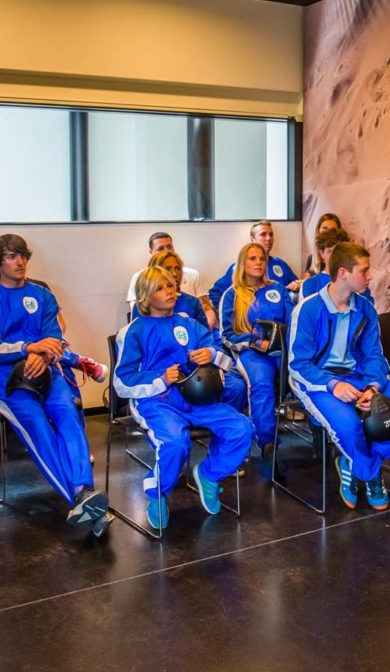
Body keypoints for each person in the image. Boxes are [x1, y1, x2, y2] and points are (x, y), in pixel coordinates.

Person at [0, 235, 113, 537]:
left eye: (23, 255)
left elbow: (55, 338)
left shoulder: (42, 294)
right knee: (36, 422)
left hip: (46, 367)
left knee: (68, 414)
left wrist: (42, 355)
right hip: (3, 376)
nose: (20, 261)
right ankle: (78, 496)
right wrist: (29, 348)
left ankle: (84, 491)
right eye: (11, 256)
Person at [288, 242, 390, 511]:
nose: (369, 276)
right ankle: (370, 472)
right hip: (318, 382)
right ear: (343, 273)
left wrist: (373, 387)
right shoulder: (307, 309)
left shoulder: (366, 308)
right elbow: (298, 366)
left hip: (361, 377)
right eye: (363, 271)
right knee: (351, 426)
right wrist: (333, 385)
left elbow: (375, 357)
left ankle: (357, 462)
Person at [114, 266, 253, 528]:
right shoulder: (133, 331)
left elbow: (227, 360)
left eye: (170, 285)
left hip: (198, 400)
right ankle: (157, 492)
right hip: (157, 403)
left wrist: (211, 355)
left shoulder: (189, 324)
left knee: (242, 428)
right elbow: (122, 382)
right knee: (176, 444)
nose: (170, 291)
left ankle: (209, 475)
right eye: (160, 288)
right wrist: (160, 379)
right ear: (145, 296)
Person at [219, 242, 293, 474]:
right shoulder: (232, 295)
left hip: (282, 349)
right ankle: (268, 444)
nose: (259, 262)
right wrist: (254, 340)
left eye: (262, 258)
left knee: (302, 376)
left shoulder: (278, 289)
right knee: (262, 385)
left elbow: (292, 322)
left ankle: (324, 440)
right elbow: (227, 335)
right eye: (252, 258)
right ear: (243, 263)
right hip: (251, 352)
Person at [126, 232, 216, 328]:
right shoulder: (141, 303)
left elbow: (204, 328)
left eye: (177, 269)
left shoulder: (191, 302)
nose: (174, 274)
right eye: (167, 269)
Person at [208, 221, 298, 310]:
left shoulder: (280, 264)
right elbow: (214, 293)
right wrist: (233, 312)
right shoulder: (239, 267)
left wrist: (298, 284)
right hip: (249, 316)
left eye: (271, 235)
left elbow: (296, 286)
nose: (268, 238)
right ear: (252, 239)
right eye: (263, 234)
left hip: (278, 316)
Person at [299, 228, 373, 305]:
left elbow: (367, 308)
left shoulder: (356, 282)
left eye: (340, 252)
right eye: (330, 251)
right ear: (321, 253)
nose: (335, 256)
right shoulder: (310, 285)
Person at [302, 213, 342, 278]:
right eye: (324, 228)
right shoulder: (312, 259)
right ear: (318, 231)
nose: (328, 232)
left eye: (332, 229)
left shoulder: (344, 259)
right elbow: (306, 278)